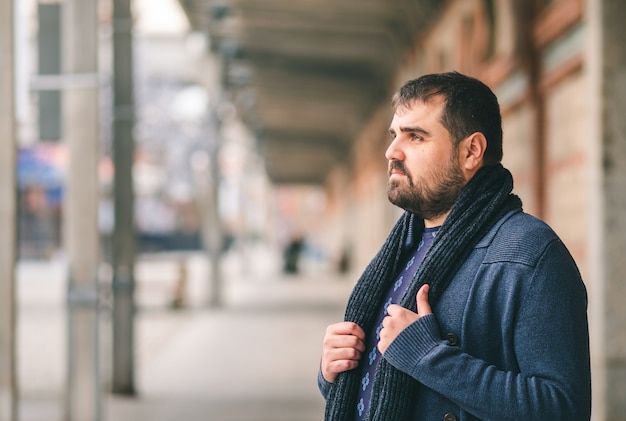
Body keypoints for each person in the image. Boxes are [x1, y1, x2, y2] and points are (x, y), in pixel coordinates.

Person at [318, 72, 591, 420]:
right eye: (394, 135)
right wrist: (333, 372)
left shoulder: (529, 254)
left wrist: (431, 358)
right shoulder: (401, 248)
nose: (392, 151)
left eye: (415, 136)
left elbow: (562, 409)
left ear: (471, 151)